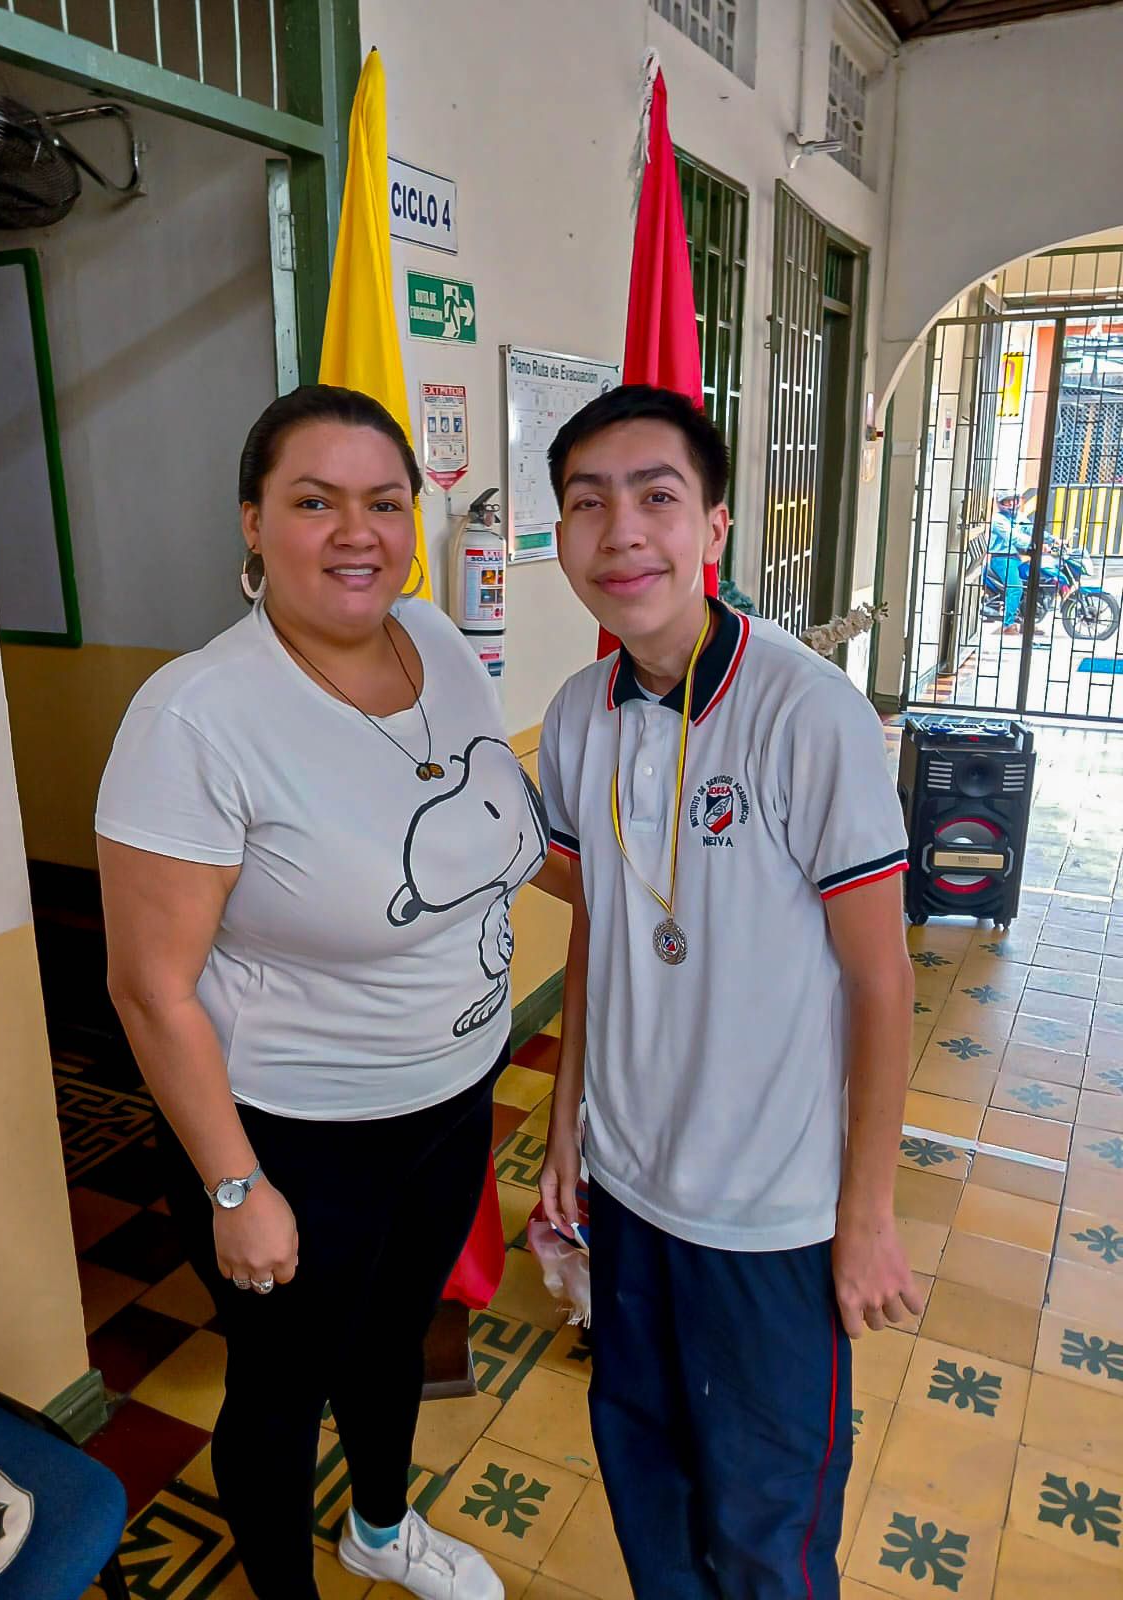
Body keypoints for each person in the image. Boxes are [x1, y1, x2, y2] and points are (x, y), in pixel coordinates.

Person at [97, 385, 567, 1600]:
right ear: (253, 522)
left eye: (383, 502)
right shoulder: (199, 717)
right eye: (315, 502)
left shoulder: (442, 644)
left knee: (393, 1341)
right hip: (295, 1134)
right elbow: (150, 988)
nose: (355, 531)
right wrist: (235, 1183)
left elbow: (489, 830)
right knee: (281, 1385)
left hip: (450, 1104)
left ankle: (377, 1523)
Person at [536, 385, 921, 1600]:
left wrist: (865, 1214)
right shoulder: (576, 717)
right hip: (632, 1189)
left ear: (713, 528)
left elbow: (883, 976)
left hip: (771, 1211)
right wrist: (565, 1132)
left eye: (656, 497)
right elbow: (598, 924)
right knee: (645, 1469)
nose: (621, 532)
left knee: (768, 1520)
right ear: (561, 540)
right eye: (587, 504)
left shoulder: (806, 713)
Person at [988, 490, 1032, 635]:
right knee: (1016, 588)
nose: (1012, 503)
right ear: (1001, 503)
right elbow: (1014, 537)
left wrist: (1053, 540)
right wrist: (1035, 544)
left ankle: (1029, 623)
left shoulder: (1019, 517)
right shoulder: (998, 520)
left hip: (1016, 558)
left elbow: (1031, 529)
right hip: (1002, 558)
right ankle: (1008, 625)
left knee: (1034, 583)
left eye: (1014, 500)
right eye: (1007, 501)